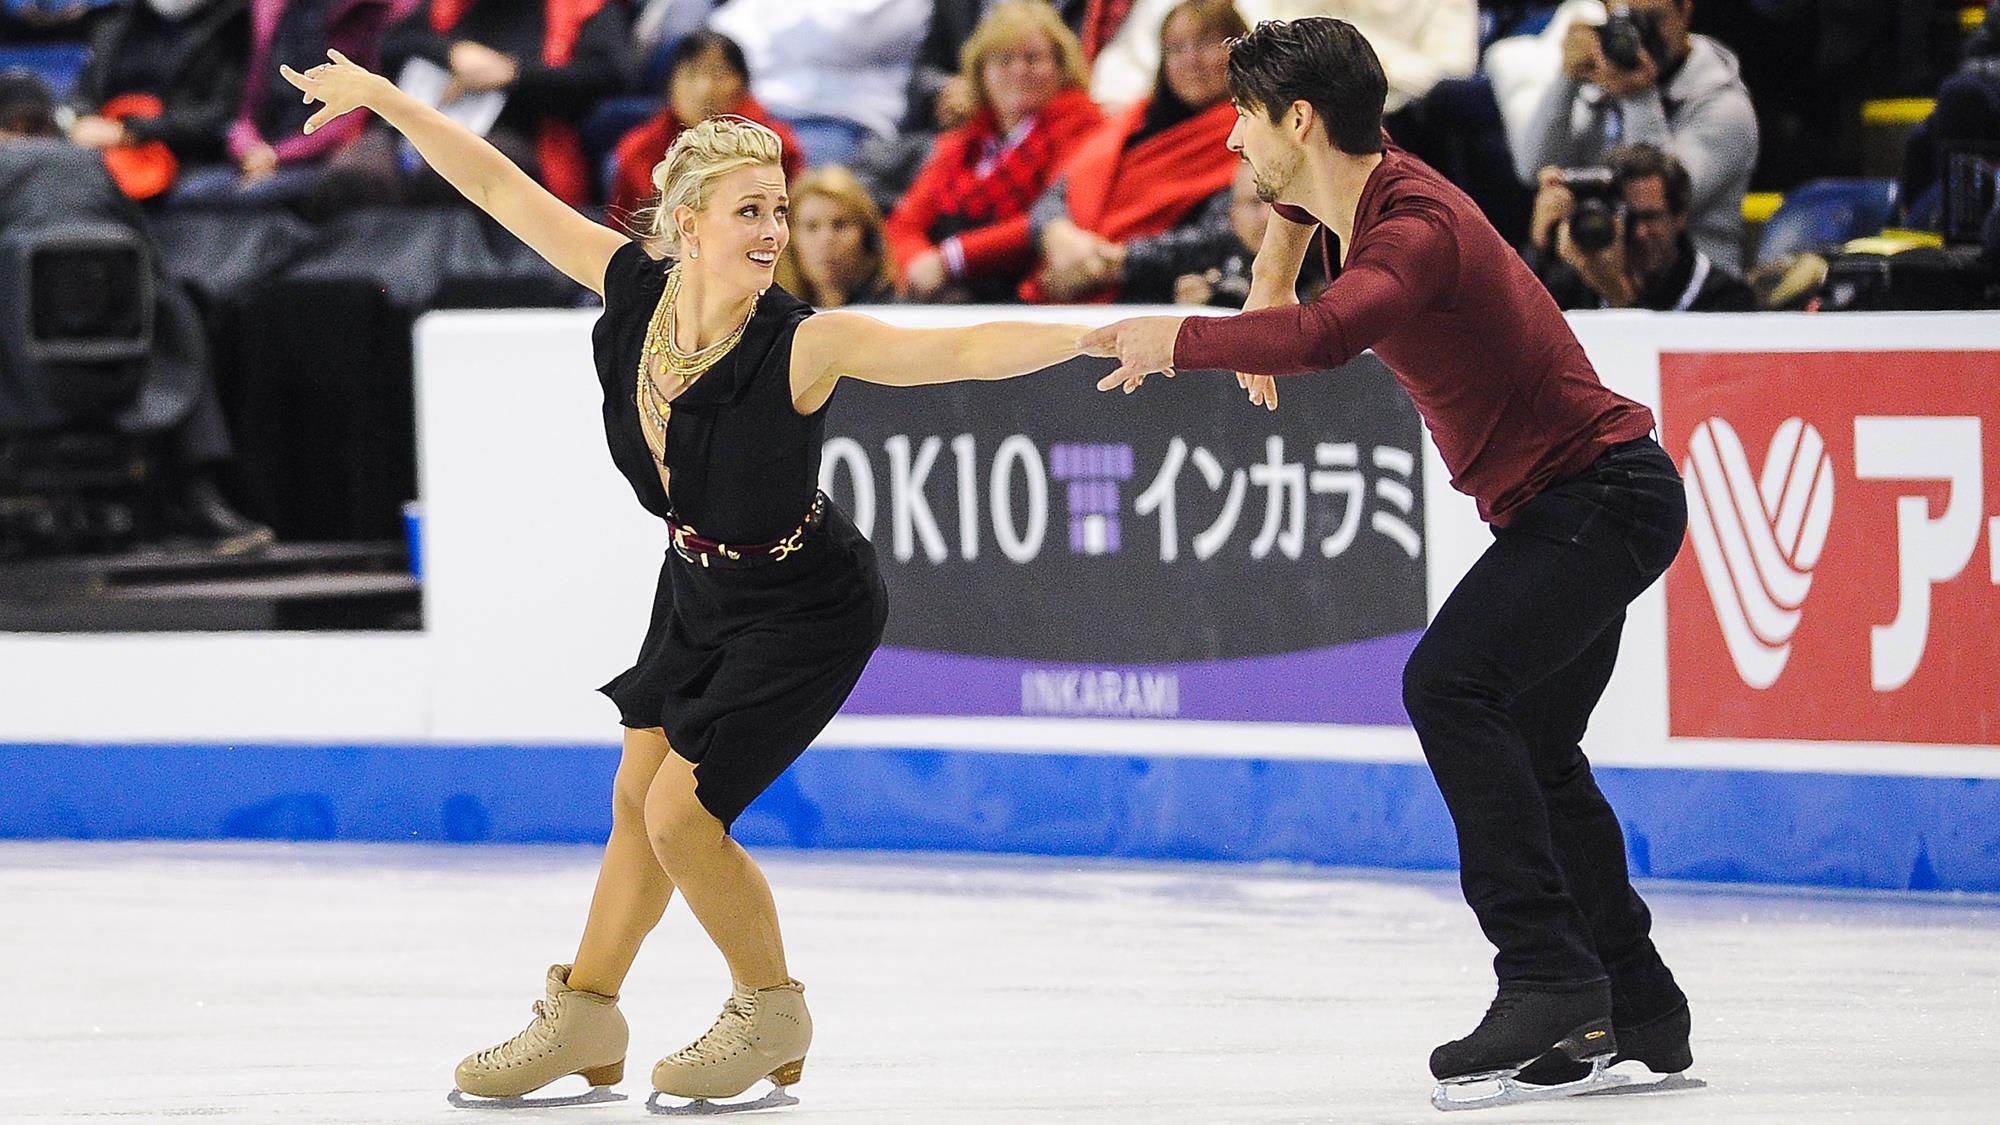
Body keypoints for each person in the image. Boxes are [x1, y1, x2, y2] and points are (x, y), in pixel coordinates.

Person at [281, 48, 1092, 1109]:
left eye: (780, 209)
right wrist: (390, 100)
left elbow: (960, 354)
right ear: (685, 221)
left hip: (806, 603)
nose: (772, 231)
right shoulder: (632, 294)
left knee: (679, 817)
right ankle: (585, 1015)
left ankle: (770, 1007)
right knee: (634, 800)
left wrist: (1096, 334)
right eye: (750, 210)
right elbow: (492, 182)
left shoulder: (802, 343)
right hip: (697, 584)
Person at [1084, 18, 1693, 1108]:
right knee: (1536, 746)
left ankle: (1547, 978)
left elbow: (1326, 338)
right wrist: (1266, 272)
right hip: (1584, 499)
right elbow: (1288, 203)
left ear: (1300, 119)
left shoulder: (1411, 229)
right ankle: (1633, 1002)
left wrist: (1174, 339)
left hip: (1599, 497)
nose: (1227, 138)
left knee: (1449, 685)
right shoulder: (1358, 180)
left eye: (1242, 115)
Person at [0, 69, 273, 554]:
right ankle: (198, 496)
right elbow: (146, 252)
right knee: (175, 304)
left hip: (23, 375)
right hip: (119, 367)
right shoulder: (89, 164)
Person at [1513, 0, 1757, 277]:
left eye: (1653, 19)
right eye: (1626, 21)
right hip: (1601, 280)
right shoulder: (1603, 83)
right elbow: (1535, 170)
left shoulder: (1725, 107)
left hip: (1698, 294)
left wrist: (1638, 97)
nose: (1641, 37)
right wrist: (1566, 78)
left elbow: (1662, 201)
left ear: (1685, 11)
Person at [1023, 0, 1245, 302]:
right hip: (1068, 278)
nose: (1191, 60)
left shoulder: (1250, 132)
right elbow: (1057, 194)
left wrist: (1118, 262)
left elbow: (1229, 231)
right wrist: (1059, 236)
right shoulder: (1131, 122)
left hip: (1164, 298)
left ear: (1240, 51)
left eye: (1206, 44)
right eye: (1176, 48)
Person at [885, 0, 1103, 302]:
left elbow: (1048, 218)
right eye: (1003, 59)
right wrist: (917, 261)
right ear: (980, 73)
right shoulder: (963, 142)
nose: (1018, 70)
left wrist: (951, 259)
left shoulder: (1084, 130)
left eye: (1032, 58)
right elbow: (905, 223)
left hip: (1030, 297)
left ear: (1062, 67)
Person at [366, 0, 629, 208]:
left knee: (453, 170)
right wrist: (452, 53)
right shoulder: (447, 6)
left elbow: (610, 78)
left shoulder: (586, 8)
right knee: (356, 175)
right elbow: (393, 44)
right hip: (417, 125)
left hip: (526, 134)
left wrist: (512, 74)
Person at [168, 0, 394, 215]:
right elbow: (248, 104)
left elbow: (355, 110)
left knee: (255, 197)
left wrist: (279, 155)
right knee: (191, 192)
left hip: (319, 159)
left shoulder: (365, 14)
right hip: (260, 153)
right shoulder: (271, 12)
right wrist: (248, 147)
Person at [1526, 142, 1755, 312]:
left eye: (1652, 217)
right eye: (1628, 218)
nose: (1640, 232)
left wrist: (1619, 296)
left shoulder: (1727, 299)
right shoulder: (1578, 283)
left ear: (1680, 216)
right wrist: (1539, 248)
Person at [606, 30, 803, 220]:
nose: (705, 89)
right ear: (669, 84)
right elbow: (624, 231)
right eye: (691, 75)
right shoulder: (638, 150)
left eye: (718, 75)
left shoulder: (776, 146)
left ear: (742, 83)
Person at [65, 0, 252, 200]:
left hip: (185, 155)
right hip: (107, 153)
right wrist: (82, 120)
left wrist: (135, 131)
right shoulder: (114, 23)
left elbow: (221, 112)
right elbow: (84, 92)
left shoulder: (234, 24)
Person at [775, 165, 897, 308]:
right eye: (811, 226)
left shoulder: (902, 316)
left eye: (840, 225)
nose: (826, 240)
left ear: (869, 236)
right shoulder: (768, 318)